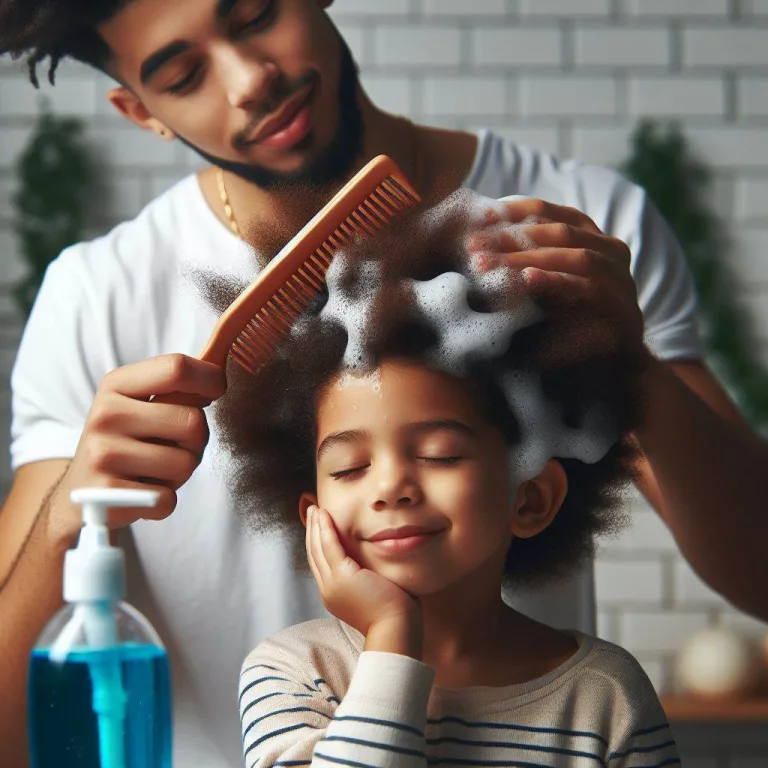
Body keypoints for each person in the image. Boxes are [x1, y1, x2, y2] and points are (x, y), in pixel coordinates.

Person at [0, 0, 765, 766]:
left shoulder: (581, 225)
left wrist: (635, 367)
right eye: (184, 74)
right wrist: (74, 504)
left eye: (257, 14)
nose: (249, 81)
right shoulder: (97, 297)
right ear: (140, 111)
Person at [213, 202, 679, 766]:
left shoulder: (604, 696)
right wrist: (390, 635)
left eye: (439, 455)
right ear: (313, 512)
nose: (390, 487)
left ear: (531, 497)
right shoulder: (296, 674)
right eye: (349, 468)